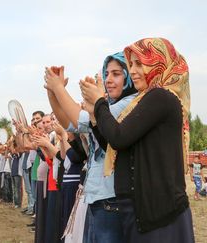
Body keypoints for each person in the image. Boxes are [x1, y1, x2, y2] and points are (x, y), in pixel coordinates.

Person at [80, 37, 194, 242]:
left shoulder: (161, 96)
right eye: (131, 64)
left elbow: (119, 137)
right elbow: (115, 146)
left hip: (159, 215)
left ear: (159, 63)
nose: (132, 70)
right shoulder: (144, 101)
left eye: (139, 63)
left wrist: (99, 103)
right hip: (143, 213)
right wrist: (94, 117)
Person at [45, 51, 137, 242]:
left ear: (129, 77)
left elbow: (79, 119)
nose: (108, 79)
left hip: (112, 197)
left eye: (116, 74)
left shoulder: (128, 104)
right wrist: (52, 91)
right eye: (106, 74)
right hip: (98, 194)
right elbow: (70, 123)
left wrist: (59, 88)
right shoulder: (107, 108)